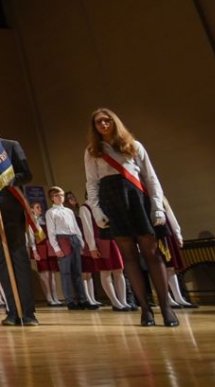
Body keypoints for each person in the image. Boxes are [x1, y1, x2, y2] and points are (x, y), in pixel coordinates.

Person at [84, 108, 179, 327]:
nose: (103, 124)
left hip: (137, 198)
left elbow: (151, 178)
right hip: (112, 201)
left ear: (114, 122)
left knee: (152, 254)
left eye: (107, 120)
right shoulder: (92, 152)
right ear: (94, 127)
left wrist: (157, 207)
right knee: (128, 257)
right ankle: (145, 309)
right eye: (98, 122)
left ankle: (166, 308)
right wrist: (96, 211)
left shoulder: (134, 146)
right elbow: (92, 183)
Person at [0, 107, 38, 326]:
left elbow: (26, 174)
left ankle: (27, 312)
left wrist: (9, 180)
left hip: (11, 208)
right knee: (2, 262)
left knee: (19, 259)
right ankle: (13, 311)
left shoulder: (11, 145)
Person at [45, 187, 94, 310]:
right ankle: (70, 300)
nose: (60, 197)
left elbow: (76, 227)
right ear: (52, 198)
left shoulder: (69, 211)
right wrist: (56, 248)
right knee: (66, 272)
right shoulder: (51, 212)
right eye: (57, 195)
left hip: (74, 239)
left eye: (61, 195)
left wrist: (81, 242)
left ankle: (82, 299)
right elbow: (51, 232)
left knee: (78, 271)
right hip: (62, 240)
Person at [78, 192, 128, 311]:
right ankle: (115, 302)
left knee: (119, 270)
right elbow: (87, 228)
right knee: (105, 271)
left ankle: (123, 301)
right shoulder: (85, 208)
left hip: (113, 239)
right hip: (99, 241)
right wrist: (92, 247)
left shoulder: (105, 205)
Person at [29, 201, 62, 307]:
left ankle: (55, 297)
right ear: (32, 209)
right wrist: (34, 251)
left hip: (49, 247)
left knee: (52, 274)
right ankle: (49, 298)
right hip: (40, 248)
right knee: (45, 274)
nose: (40, 209)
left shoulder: (45, 220)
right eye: (37, 207)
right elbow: (31, 238)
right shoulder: (32, 221)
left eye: (40, 207)